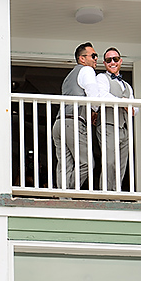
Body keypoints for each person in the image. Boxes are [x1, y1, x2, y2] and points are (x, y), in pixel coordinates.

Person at [51, 42, 111, 189]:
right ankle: (68, 192)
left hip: (59, 123)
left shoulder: (68, 77)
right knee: (87, 163)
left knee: (64, 164)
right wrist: (95, 111)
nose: (96, 59)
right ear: (82, 58)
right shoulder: (86, 71)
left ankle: (63, 197)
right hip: (73, 122)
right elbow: (93, 95)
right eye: (93, 55)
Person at [96, 47, 136, 191]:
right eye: (108, 60)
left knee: (121, 163)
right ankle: (105, 193)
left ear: (120, 61)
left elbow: (134, 110)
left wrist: (129, 106)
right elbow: (102, 96)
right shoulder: (101, 78)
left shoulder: (127, 86)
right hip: (108, 125)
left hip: (123, 127)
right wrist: (124, 103)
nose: (112, 62)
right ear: (104, 63)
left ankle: (115, 192)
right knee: (110, 161)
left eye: (115, 59)